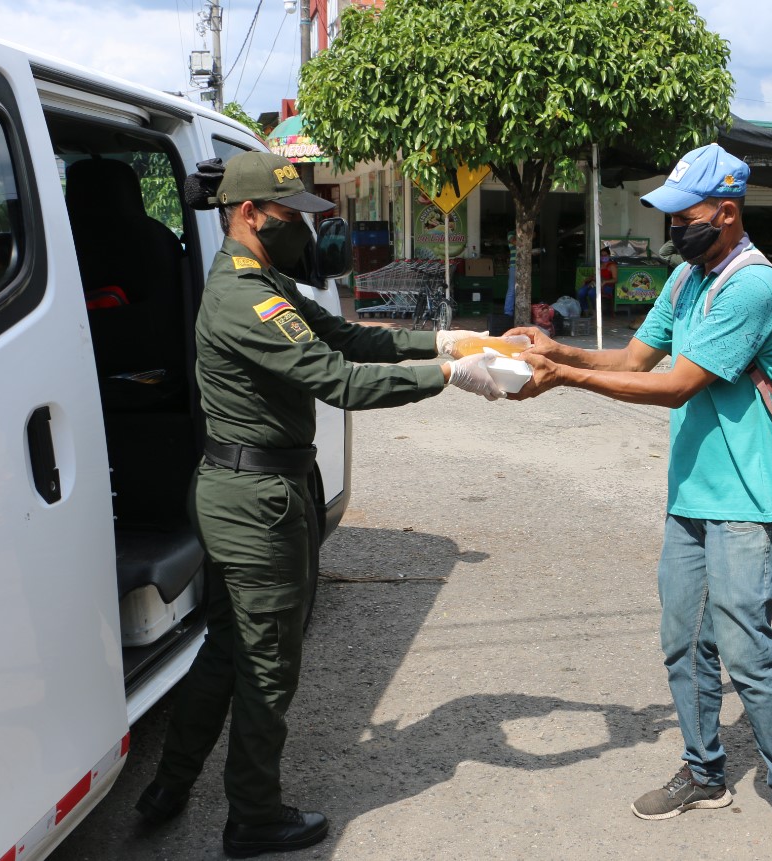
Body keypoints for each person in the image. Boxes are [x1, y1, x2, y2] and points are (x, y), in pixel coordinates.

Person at [136, 151, 502, 857]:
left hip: (252, 489)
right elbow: (338, 378)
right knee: (267, 663)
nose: (302, 231)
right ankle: (253, 815)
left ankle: (169, 785)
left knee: (226, 646)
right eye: (287, 218)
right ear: (248, 215)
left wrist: (441, 338)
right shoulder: (245, 299)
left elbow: (348, 335)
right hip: (256, 502)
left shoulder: (263, 282)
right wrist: (448, 376)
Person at [506, 143, 772, 861]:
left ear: (726, 212)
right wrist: (556, 348)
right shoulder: (687, 276)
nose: (673, 225)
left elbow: (678, 384)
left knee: (747, 652)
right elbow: (632, 360)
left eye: (684, 214)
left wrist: (561, 378)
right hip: (691, 493)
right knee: (683, 640)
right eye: (671, 214)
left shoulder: (750, 287)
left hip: (749, 497)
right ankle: (704, 770)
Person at [502, 229, 545, 318]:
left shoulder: (526, 235)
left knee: (524, 290)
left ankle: (520, 313)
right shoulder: (511, 233)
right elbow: (515, 242)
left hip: (524, 266)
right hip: (514, 265)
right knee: (511, 290)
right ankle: (508, 313)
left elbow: (532, 236)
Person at [576, 247, 618, 316]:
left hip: (606, 286)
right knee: (581, 292)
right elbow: (594, 276)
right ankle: (585, 310)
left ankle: (595, 311)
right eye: (602, 255)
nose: (603, 257)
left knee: (592, 292)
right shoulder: (599, 265)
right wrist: (586, 280)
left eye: (605, 255)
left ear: (609, 256)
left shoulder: (612, 266)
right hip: (595, 284)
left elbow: (615, 279)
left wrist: (605, 282)